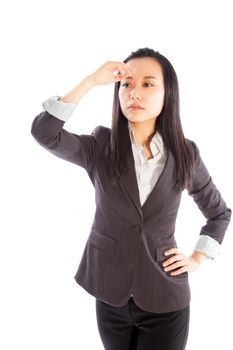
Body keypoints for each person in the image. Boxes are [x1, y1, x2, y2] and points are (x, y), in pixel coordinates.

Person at [31, 47, 231, 350]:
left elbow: (218, 214)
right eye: (126, 84)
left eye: (148, 84)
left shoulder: (185, 154)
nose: (134, 93)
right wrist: (90, 81)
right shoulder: (100, 146)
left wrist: (197, 258)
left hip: (165, 297)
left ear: (169, 94)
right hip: (110, 293)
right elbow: (45, 133)